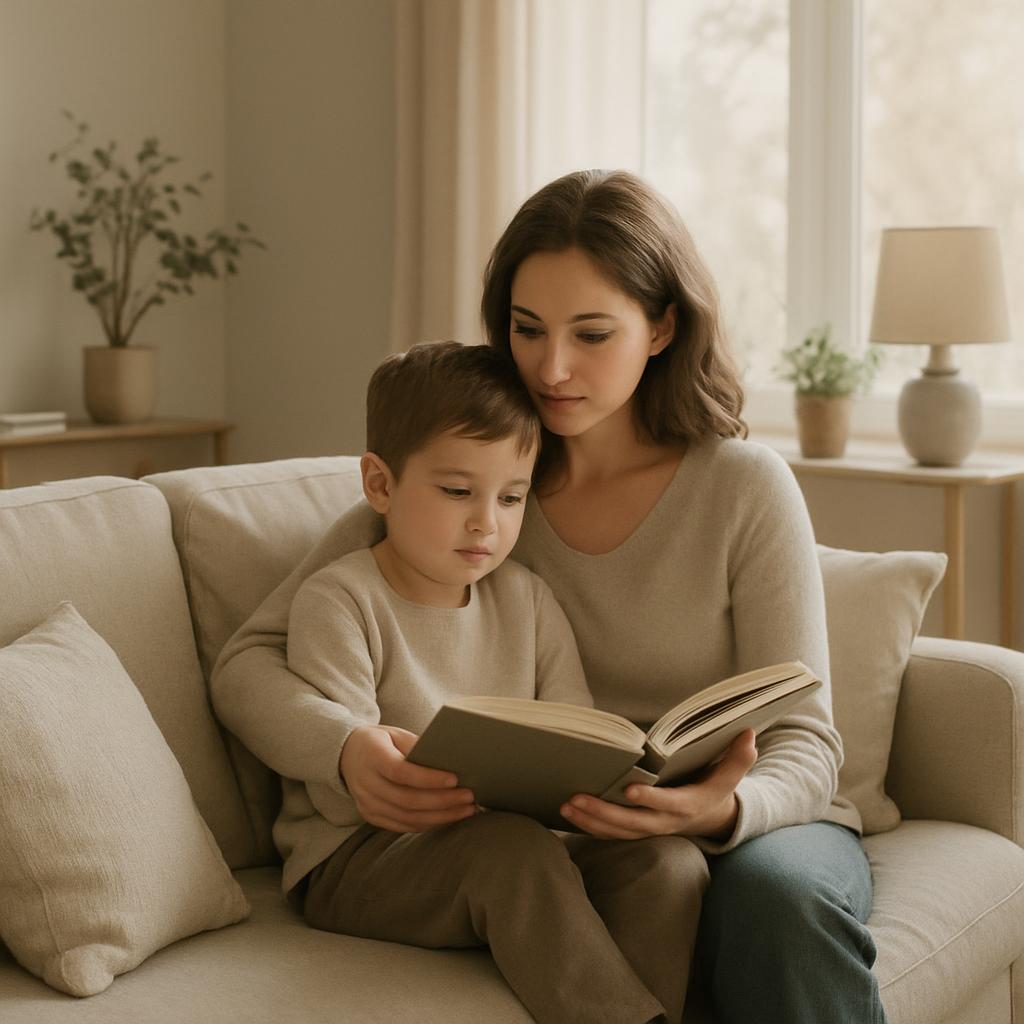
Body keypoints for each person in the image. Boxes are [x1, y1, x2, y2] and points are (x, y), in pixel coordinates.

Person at [213, 169, 887, 1024]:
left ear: (662, 327)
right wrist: (343, 747)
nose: (552, 367)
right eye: (528, 330)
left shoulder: (743, 488)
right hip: (541, 834)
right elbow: (248, 664)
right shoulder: (477, 485)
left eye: (592, 334)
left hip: (752, 823)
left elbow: (806, 739)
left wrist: (723, 809)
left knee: (780, 907)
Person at [225, 339, 709, 1024]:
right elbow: (343, 801)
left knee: (668, 866)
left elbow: (573, 736)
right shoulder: (341, 598)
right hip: (357, 860)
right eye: (458, 492)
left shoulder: (529, 601)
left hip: (512, 843)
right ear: (380, 485)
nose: (488, 521)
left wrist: (617, 784)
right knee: (508, 852)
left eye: (512, 496)